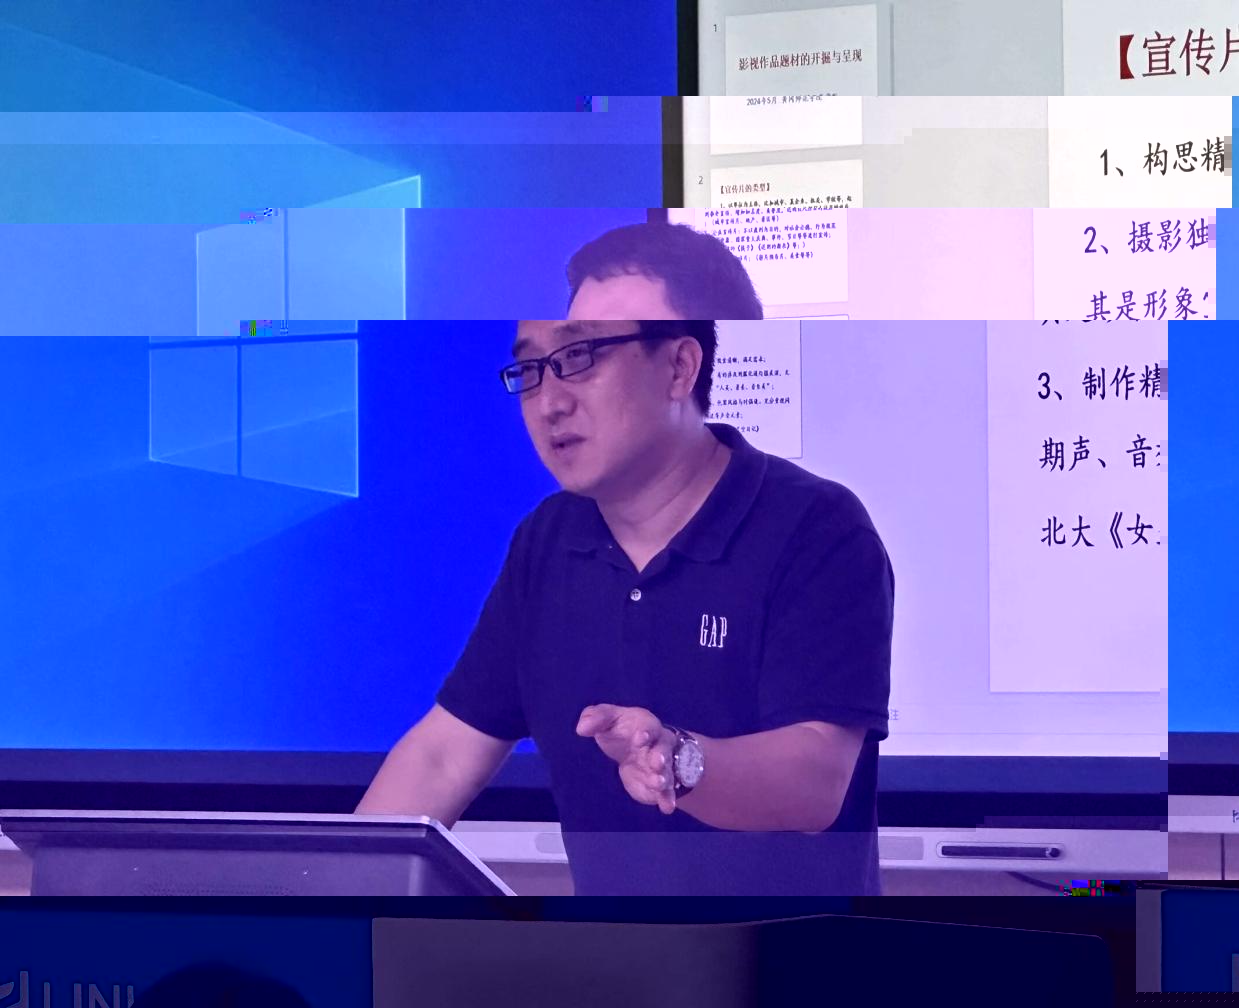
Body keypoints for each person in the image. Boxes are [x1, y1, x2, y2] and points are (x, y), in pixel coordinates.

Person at [358, 222, 894, 895]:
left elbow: (814, 781)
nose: (550, 402)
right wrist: (322, 897)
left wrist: (680, 759)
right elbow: (443, 755)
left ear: (679, 368)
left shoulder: (813, 526)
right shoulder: (549, 539)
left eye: (581, 357)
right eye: (532, 369)